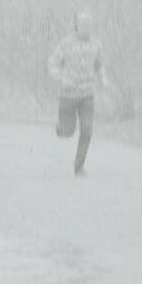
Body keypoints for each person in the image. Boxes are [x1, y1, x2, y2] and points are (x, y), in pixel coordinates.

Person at [47, 11, 108, 177]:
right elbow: (52, 63)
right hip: (67, 94)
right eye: (83, 25)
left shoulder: (96, 45)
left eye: (89, 25)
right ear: (76, 26)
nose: (86, 28)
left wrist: (103, 78)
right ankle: (61, 127)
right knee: (67, 131)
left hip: (87, 94)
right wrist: (60, 78)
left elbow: (100, 64)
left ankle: (78, 167)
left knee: (87, 130)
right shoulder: (66, 44)